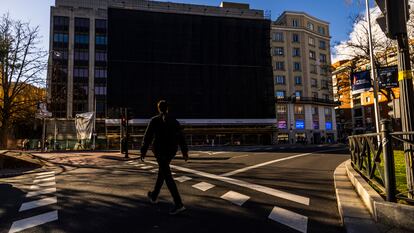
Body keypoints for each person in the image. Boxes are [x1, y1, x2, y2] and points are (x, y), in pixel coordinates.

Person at [140, 100, 189, 215]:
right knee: (162, 172)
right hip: (171, 151)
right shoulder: (174, 121)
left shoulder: (154, 120)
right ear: (167, 108)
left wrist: (143, 151)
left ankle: (178, 204)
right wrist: (184, 152)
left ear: (158, 109)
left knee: (167, 176)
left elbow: (147, 137)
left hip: (159, 151)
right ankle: (154, 195)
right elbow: (181, 137)